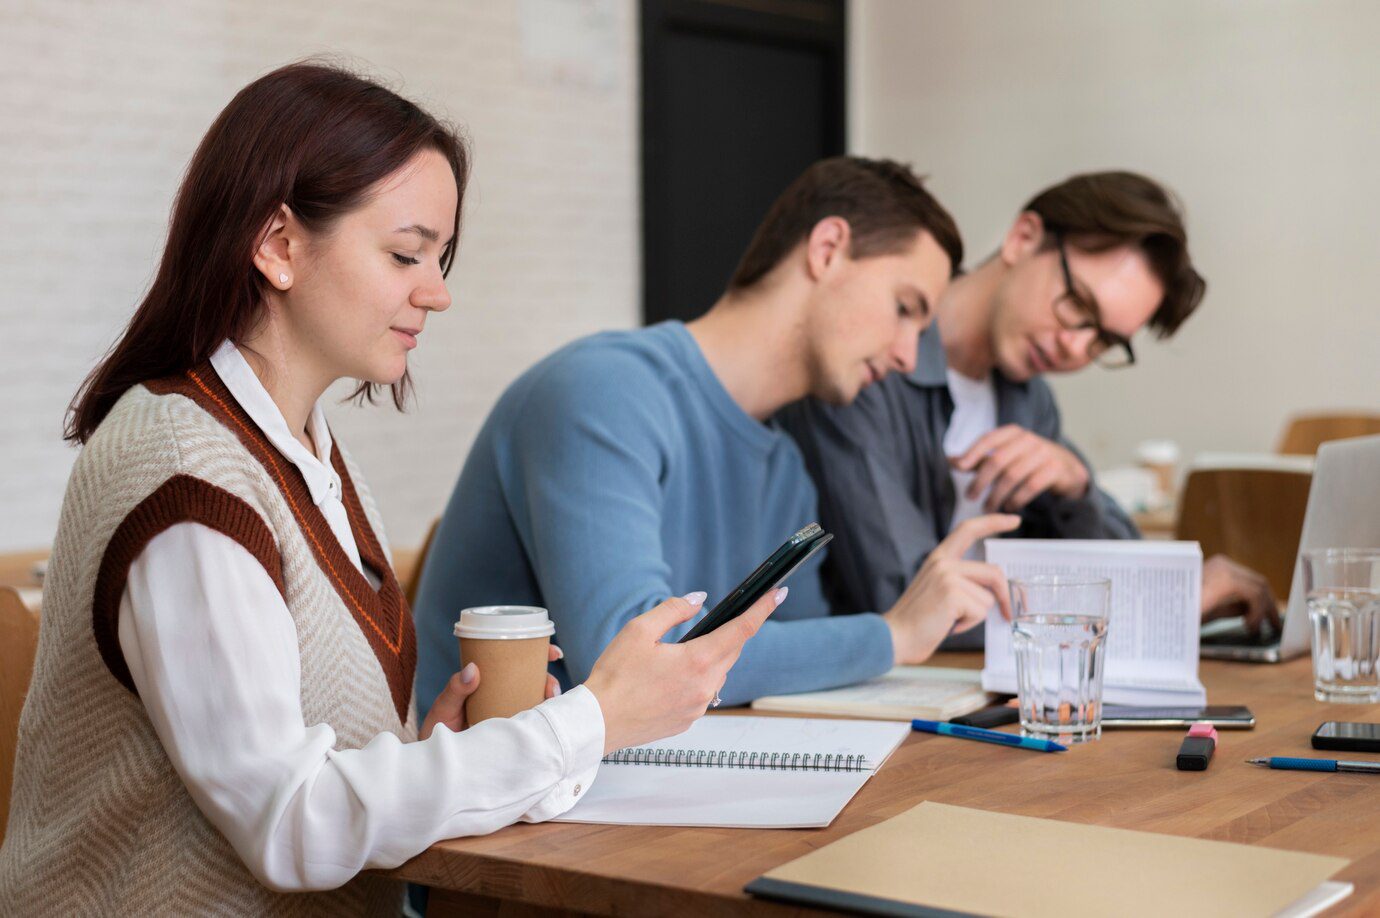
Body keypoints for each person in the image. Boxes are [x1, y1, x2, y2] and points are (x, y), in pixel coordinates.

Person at [0, 62, 778, 915]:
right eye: (406, 253)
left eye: (439, 259)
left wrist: (424, 747)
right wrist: (590, 721)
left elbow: (317, 774)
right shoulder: (187, 472)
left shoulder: (313, 457)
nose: (436, 293)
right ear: (278, 246)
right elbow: (290, 821)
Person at [413, 155, 1021, 717]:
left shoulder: (785, 467)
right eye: (906, 307)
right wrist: (893, 634)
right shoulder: (603, 389)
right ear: (828, 249)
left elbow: (798, 658)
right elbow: (635, 657)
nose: (912, 358)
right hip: (504, 811)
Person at [778, 171, 1278, 648]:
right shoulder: (866, 364)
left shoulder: (1027, 398)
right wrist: (1155, 611)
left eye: (1104, 340)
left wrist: (1077, 487)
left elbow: (1112, 562)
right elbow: (907, 605)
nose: (1075, 348)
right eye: (1079, 306)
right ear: (1023, 237)